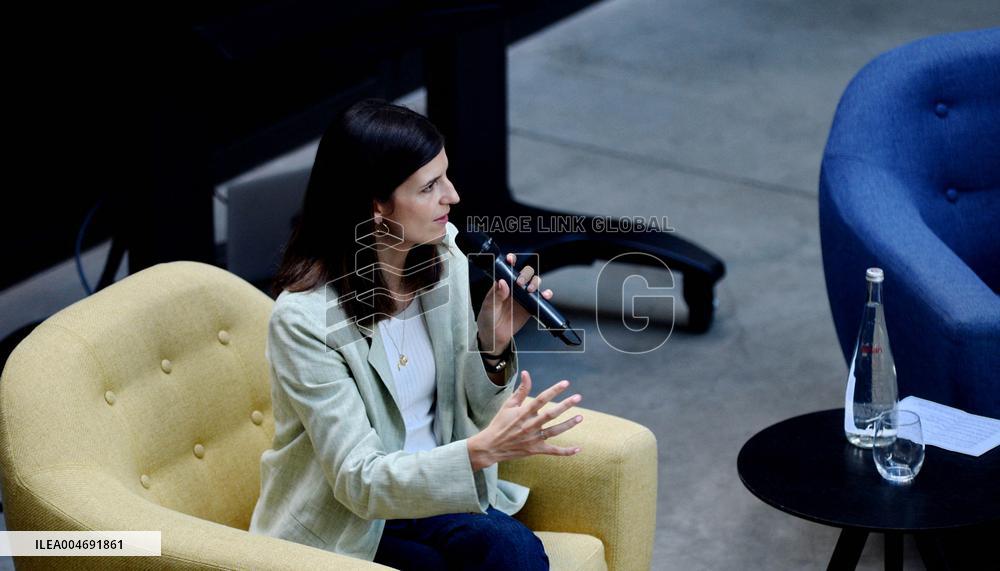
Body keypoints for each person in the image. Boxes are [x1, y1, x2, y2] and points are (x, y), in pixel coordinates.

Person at [249, 99, 586, 570]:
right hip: (352, 516)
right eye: (429, 187)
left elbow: (473, 410)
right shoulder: (304, 320)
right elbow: (357, 481)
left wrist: (490, 345)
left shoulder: (443, 254)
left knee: (514, 551)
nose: (453, 196)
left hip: (435, 491)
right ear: (376, 205)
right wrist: (479, 451)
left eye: (445, 176)